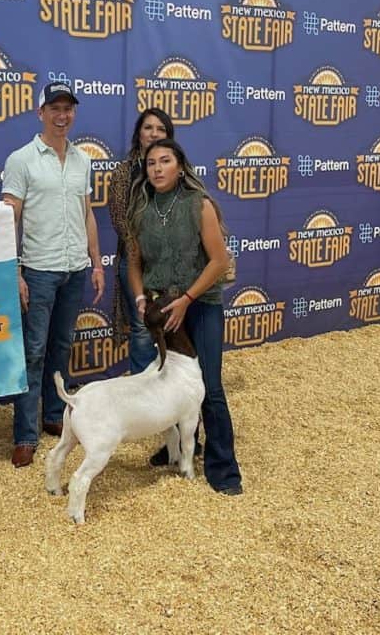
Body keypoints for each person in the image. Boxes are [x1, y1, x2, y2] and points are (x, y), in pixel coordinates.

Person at [127, 138, 243, 496]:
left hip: (201, 305)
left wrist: (188, 299)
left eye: (165, 161)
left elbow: (219, 261)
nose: (158, 168)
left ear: (180, 166)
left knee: (209, 386)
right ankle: (178, 451)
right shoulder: (140, 208)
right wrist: (142, 297)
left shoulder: (199, 204)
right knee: (166, 385)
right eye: (151, 163)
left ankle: (223, 469)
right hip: (163, 311)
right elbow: (134, 262)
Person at [1, 81, 104, 468]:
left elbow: (88, 213)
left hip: (75, 269)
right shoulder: (21, 159)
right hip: (39, 270)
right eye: (55, 109)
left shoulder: (82, 160)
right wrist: (15, 269)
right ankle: (25, 434)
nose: (63, 116)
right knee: (33, 353)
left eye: (69, 109)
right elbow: (11, 218)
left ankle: (51, 418)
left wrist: (96, 263)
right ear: (40, 112)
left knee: (60, 350)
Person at [107, 108, 172, 375]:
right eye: (148, 127)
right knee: (143, 327)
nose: (154, 133)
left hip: (172, 264)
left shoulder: (178, 169)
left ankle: (172, 391)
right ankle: (145, 396)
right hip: (135, 261)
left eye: (160, 129)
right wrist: (143, 250)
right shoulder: (124, 173)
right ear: (138, 133)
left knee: (172, 323)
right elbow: (119, 218)